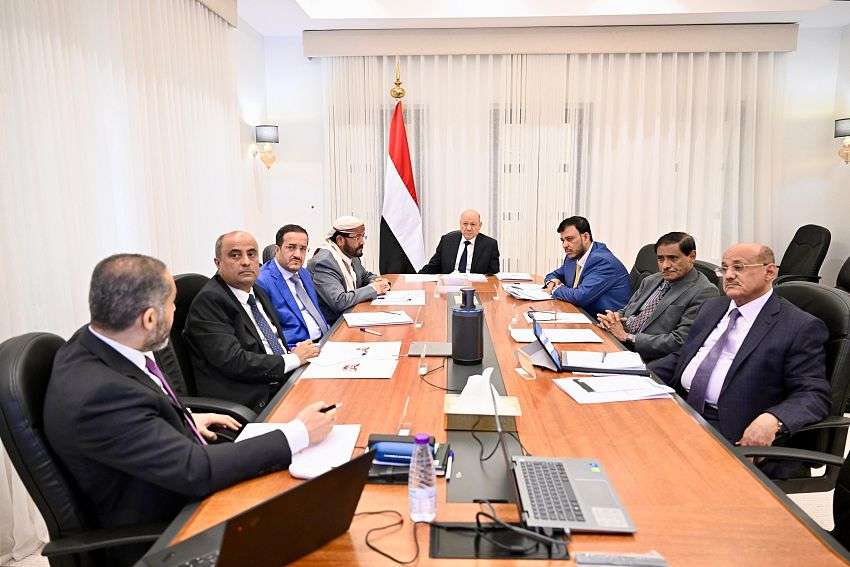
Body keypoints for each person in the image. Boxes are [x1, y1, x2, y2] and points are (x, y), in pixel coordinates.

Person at [43, 254, 334, 566]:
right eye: (172, 304)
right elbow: (196, 471)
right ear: (149, 319)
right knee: (316, 527)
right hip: (170, 525)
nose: (175, 311)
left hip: (163, 475)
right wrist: (297, 434)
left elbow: (129, 421)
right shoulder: (101, 396)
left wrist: (184, 416)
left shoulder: (91, 343)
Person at [649, 243, 830, 477]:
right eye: (724, 268)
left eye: (739, 267)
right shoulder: (713, 307)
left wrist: (773, 419)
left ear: (770, 272)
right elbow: (684, 357)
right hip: (680, 407)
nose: (729, 276)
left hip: (730, 427)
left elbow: (813, 394)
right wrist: (637, 374)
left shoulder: (799, 326)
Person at [184, 231, 320, 413]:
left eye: (251, 254)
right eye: (235, 255)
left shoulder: (255, 290)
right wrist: (293, 359)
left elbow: (270, 341)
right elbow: (236, 362)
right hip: (254, 399)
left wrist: (294, 355)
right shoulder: (209, 302)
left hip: (282, 379)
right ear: (218, 263)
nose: (246, 262)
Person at [596, 232, 718, 361]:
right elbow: (627, 310)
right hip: (619, 343)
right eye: (660, 259)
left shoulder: (704, 291)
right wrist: (613, 319)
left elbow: (680, 341)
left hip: (648, 358)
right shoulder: (651, 280)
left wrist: (627, 337)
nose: (665, 265)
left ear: (692, 256)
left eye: (673, 258)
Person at [307, 215, 391, 323]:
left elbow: (364, 276)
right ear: (340, 240)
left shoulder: (350, 254)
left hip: (353, 315)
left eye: (363, 236)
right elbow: (339, 301)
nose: (362, 242)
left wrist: (376, 281)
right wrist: (373, 289)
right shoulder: (323, 263)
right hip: (334, 324)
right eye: (357, 237)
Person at [256, 224, 329, 348]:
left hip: (325, 340)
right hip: (296, 348)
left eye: (303, 249)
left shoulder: (304, 273)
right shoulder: (261, 281)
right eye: (291, 247)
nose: (298, 255)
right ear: (277, 250)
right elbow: (266, 334)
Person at [543, 216, 631, 315]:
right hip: (579, 312)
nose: (564, 245)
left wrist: (555, 289)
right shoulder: (573, 256)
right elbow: (553, 275)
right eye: (562, 240)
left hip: (602, 320)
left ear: (585, 237)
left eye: (569, 239)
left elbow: (579, 297)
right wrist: (551, 282)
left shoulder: (603, 261)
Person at [418, 209, 501, 274]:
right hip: (450, 285)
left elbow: (493, 274)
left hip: (475, 287)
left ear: (480, 226)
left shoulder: (490, 245)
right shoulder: (447, 240)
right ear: (460, 224)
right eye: (465, 224)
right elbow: (433, 266)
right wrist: (416, 277)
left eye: (473, 224)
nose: (469, 228)